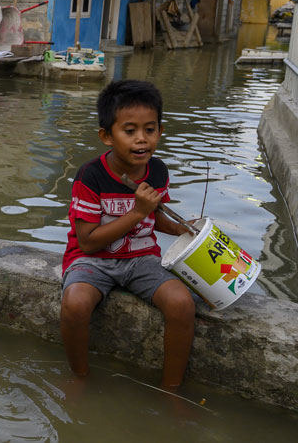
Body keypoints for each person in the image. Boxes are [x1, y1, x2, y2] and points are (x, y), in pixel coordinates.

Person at [60, 79, 196, 389]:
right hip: (92, 260)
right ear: (106, 136)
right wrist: (137, 211)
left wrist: (179, 228)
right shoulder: (90, 176)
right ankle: (78, 377)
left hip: (141, 258)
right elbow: (88, 241)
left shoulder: (157, 171)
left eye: (150, 130)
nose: (142, 140)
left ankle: (171, 389)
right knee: (75, 302)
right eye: (130, 130)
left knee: (182, 304)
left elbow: (155, 216)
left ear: (160, 131)